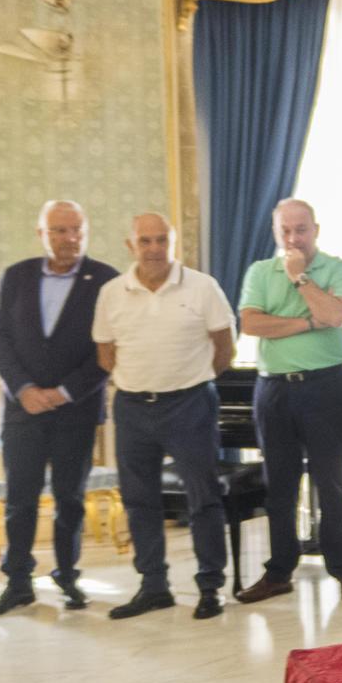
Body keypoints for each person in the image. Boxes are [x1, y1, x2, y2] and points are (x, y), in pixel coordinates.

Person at [0, 200, 118, 619]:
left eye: (76, 229)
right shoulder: (16, 276)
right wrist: (23, 389)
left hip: (75, 410)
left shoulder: (106, 280)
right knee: (19, 499)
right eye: (59, 230)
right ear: (41, 234)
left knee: (69, 498)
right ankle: (18, 582)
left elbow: (106, 348)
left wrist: (64, 392)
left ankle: (68, 576)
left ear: (86, 232)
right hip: (24, 410)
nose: (69, 238)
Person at [93, 213, 235, 620]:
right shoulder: (111, 293)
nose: (154, 249)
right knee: (139, 500)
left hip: (190, 405)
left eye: (161, 240)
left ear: (172, 244)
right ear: (130, 245)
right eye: (145, 241)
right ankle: (153, 586)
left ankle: (211, 586)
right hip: (133, 408)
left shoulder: (203, 287)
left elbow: (224, 349)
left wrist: (191, 379)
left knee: (203, 498)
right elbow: (105, 353)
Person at [235, 199, 342, 604]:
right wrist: (308, 322)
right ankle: (279, 571)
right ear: (277, 232)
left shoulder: (338, 269)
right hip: (274, 390)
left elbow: (335, 316)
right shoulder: (259, 271)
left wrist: (300, 279)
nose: (293, 238)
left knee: (333, 483)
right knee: (280, 485)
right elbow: (252, 323)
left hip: (326, 385)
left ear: (316, 230)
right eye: (286, 231)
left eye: (301, 229)